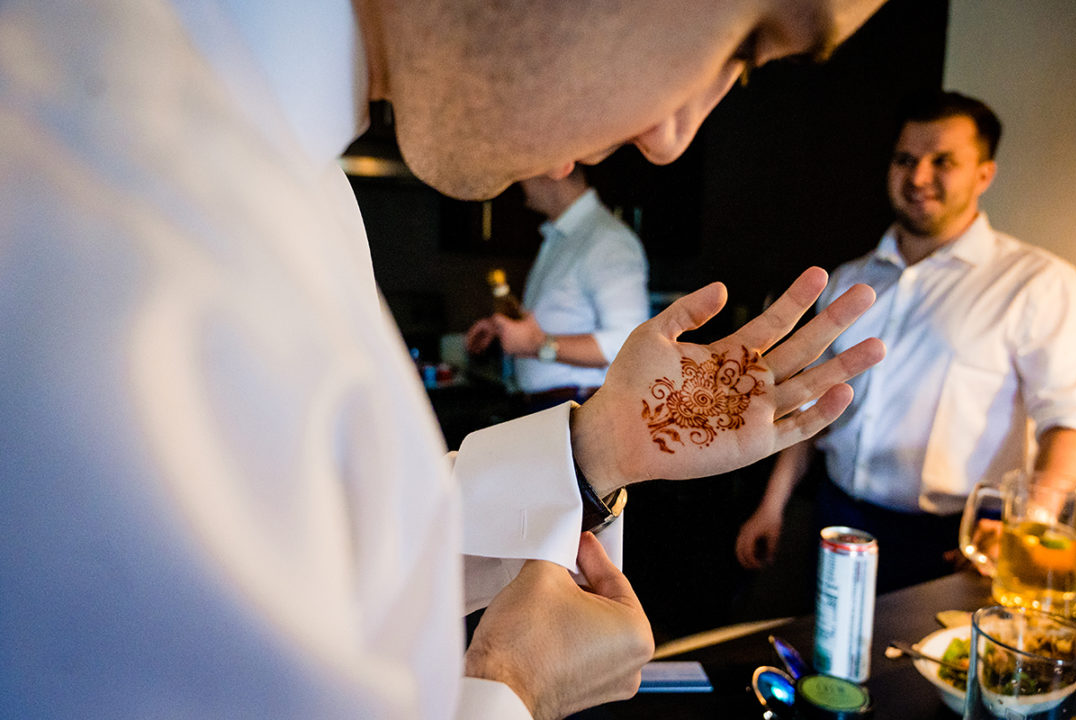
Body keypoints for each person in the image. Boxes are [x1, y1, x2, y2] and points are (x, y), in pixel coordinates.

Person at [0, 1, 889, 718]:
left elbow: (335, 533)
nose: (672, 138)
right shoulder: (96, 211)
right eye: (744, 40)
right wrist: (506, 693)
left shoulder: (301, 178)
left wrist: (599, 447)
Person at [735, 91, 1076, 593]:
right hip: (836, 515)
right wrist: (771, 505)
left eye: (943, 161)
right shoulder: (849, 280)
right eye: (905, 160)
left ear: (984, 174)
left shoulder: (1039, 283)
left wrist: (1028, 524)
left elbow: (1067, 423)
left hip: (954, 539)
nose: (918, 178)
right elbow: (812, 403)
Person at [465, 166, 649, 410]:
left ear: (555, 168)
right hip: (552, 408)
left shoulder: (607, 241)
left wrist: (537, 344)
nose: (516, 178)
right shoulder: (562, 236)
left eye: (524, 167)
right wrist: (507, 327)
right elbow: (562, 316)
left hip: (579, 409)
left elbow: (627, 344)